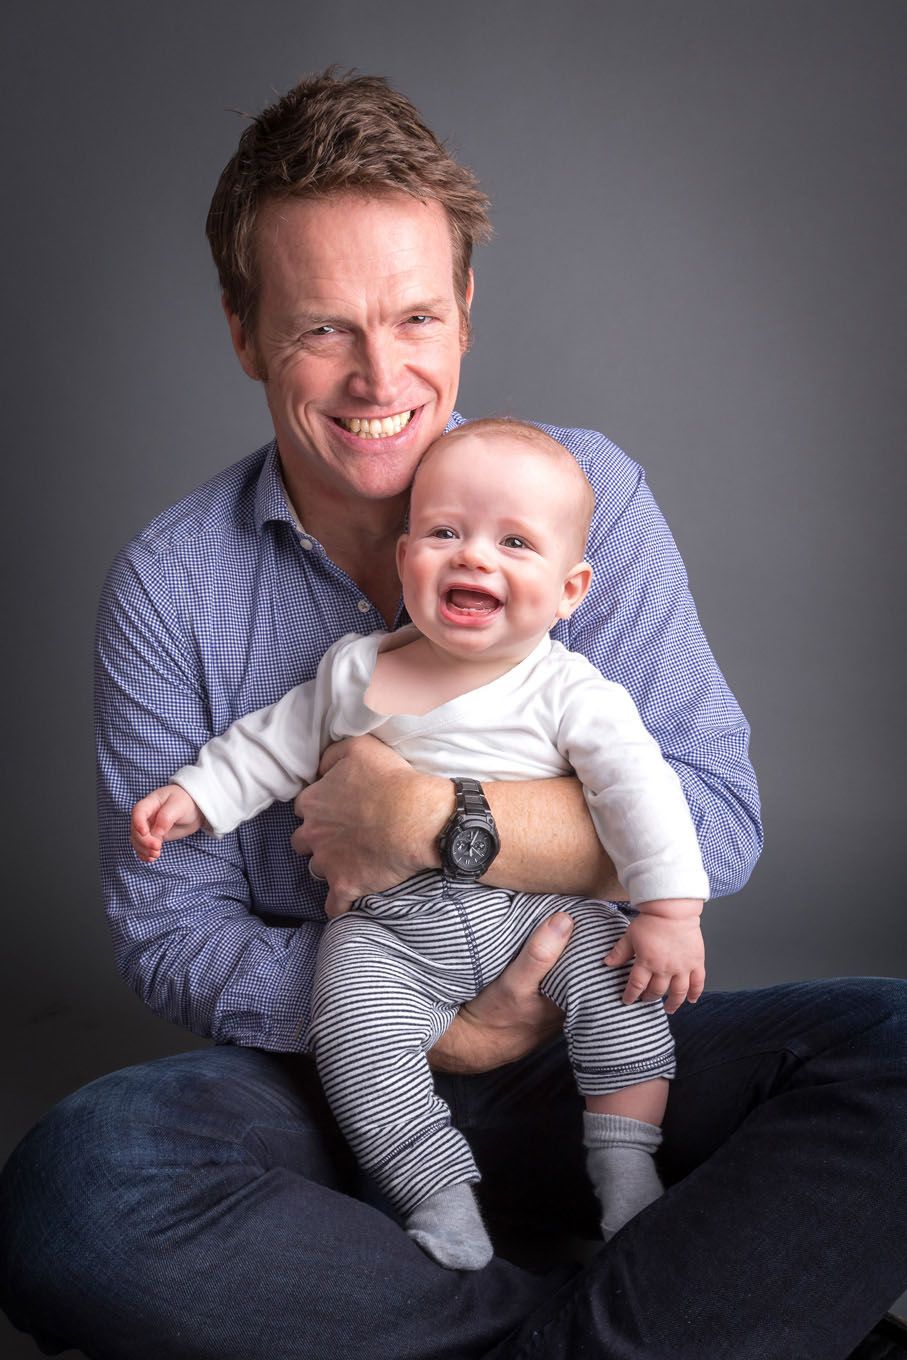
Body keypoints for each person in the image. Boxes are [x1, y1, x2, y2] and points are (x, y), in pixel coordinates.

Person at [1, 68, 905, 1360]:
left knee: (894, 1049)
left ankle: (524, 1321)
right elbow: (169, 927)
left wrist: (435, 821)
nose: (379, 374)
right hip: (337, 1073)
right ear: (244, 332)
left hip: (592, 1020)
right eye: (321, 328)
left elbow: (707, 813)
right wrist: (423, 1023)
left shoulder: (586, 497)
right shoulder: (172, 582)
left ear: (465, 312)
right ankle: (637, 1323)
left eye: (414, 315)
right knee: (75, 1193)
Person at [129, 418, 710, 1269]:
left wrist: (667, 911)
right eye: (444, 533)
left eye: (514, 542)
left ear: (570, 588)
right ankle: (435, 1192)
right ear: (407, 561)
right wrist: (194, 797)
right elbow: (270, 745)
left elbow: (642, 793)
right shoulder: (354, 669)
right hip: (388, 933)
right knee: (352, 1027)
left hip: (535, 915)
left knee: (622, 986)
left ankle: (622, 1163)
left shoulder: (570, 689)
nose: (474, 557)